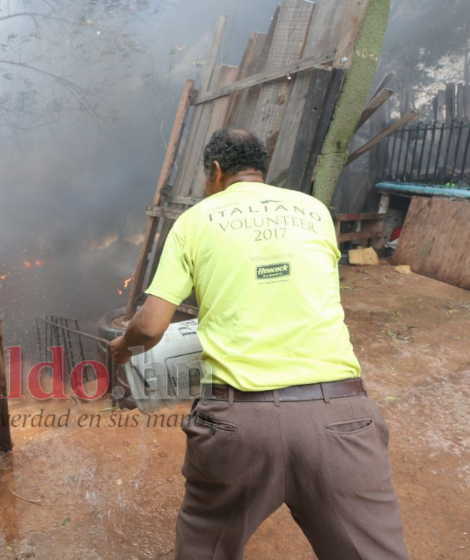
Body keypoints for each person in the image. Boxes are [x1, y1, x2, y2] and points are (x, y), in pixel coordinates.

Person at [110, 128, 409, 560]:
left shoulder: (196, 220)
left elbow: (151, 326)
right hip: (340, 420)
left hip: (238, 425)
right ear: (261, 169)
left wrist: (124, 348)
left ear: (214, 171)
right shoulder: (315, 211)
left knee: (205, 546)